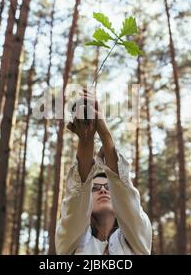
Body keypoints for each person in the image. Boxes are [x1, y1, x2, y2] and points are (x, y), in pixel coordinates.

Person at [55, 90, 152, 255]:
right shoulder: (70, 242)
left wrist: (104, 130)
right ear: (87, 201)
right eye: (95, 188)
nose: (102, 190)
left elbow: (125, 193)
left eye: (108, 187)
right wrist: (86, 140)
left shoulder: (139, 236)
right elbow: (76, 200)